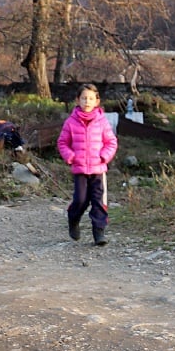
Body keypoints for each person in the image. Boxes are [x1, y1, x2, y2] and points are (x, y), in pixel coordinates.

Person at [57, 83, 118, 246]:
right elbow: (62, 142)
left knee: (98, 201)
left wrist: (104, 156)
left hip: (98, 170)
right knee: (81, 200)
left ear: (97, 101)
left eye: (91, 98)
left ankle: (99, 232)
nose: (87, 101)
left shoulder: (102, 122)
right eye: (84, 98)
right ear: (77, 100)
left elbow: (111, 142)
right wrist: (71, 156)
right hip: (80, 169)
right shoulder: (71, 122)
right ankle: (73, 218)